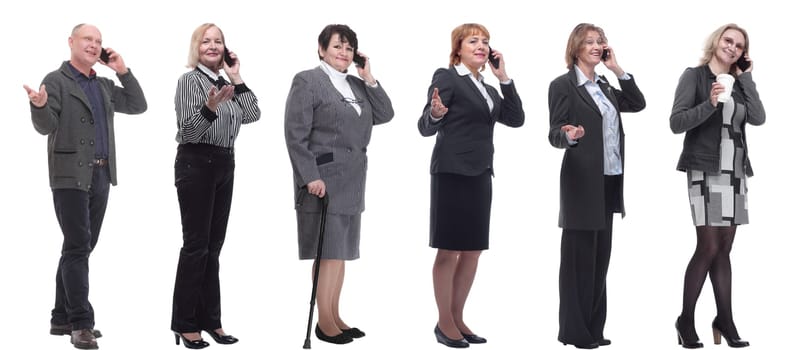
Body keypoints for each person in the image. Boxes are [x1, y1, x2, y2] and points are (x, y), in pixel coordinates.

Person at [24, 23, 147, 350]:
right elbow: (46, 126)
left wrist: (123, 70)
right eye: (87, 39)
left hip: (102, 175)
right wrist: (38, 105)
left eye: (99, 41)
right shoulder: (56, 81)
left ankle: (60, 317)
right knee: (78, 246)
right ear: (71, 42)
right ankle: (81, 323)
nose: (93, 45)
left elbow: (138, 104)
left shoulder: (104, 85)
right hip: (70, 177)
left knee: (79, 247)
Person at [284, 24, 394, 345]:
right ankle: (324, 322)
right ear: (321, 49)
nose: (343, 53)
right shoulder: (308, 81)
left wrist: (369, 77)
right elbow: (295, 135)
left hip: (353, 180)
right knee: (328, 252)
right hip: (323, 181)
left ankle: (335, 315)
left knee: (341, 253)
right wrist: (309, 177)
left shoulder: (357, 86)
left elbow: (385, 113)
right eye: (337, 47)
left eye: (349, 48)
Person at [418, 23, 524, 349]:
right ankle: (444, 322)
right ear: (458, 48)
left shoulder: (489, 89)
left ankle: (458, 316)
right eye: (473, 40)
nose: (481, 45)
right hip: (451, 173)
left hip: (480, 173)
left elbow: (517, 118)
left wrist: (503, 77)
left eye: (486, 41)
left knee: (473, 251)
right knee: (449, 248)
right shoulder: (447, 77)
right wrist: (435, 114)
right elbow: (424, 125)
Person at [547, 23, 645, 349]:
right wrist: (569, 136)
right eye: (589, 41)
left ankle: (593, 329)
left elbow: (637, 102)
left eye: (599, 41)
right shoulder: (563, 86)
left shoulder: (604, 85)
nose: (596, 45)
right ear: (576, 48)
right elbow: (554, 133)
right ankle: (575, 333)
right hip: (580, 183)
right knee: (578, 262)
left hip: (609, 181)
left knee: (600, 259)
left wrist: (616, 68)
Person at [670, 23, 765, 349]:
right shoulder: (694, 77)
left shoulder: (739, 83)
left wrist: (747, 77)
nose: (733, 47)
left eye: (739, 45)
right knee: (708, 247)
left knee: (724, 249)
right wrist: (709, 104)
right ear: (716, 41)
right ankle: (685, 320)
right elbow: (676, 122)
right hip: (705, 169)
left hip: (735, 172)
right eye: (729, 40)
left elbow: (758, 117)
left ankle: (724, 319)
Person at [171, 23, 260, 348]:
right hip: (196, 163)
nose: (213, 46)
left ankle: (211, 321)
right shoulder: (189, 81)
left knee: (214, 248)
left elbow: (253, 114)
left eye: (218, 41)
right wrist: (209, 108)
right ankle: (184, 324)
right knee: (195, 246)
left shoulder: (224, 82)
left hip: (225, 164)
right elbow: (190, 132)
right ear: (196, 47)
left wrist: (236, 76)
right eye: (206, 41)